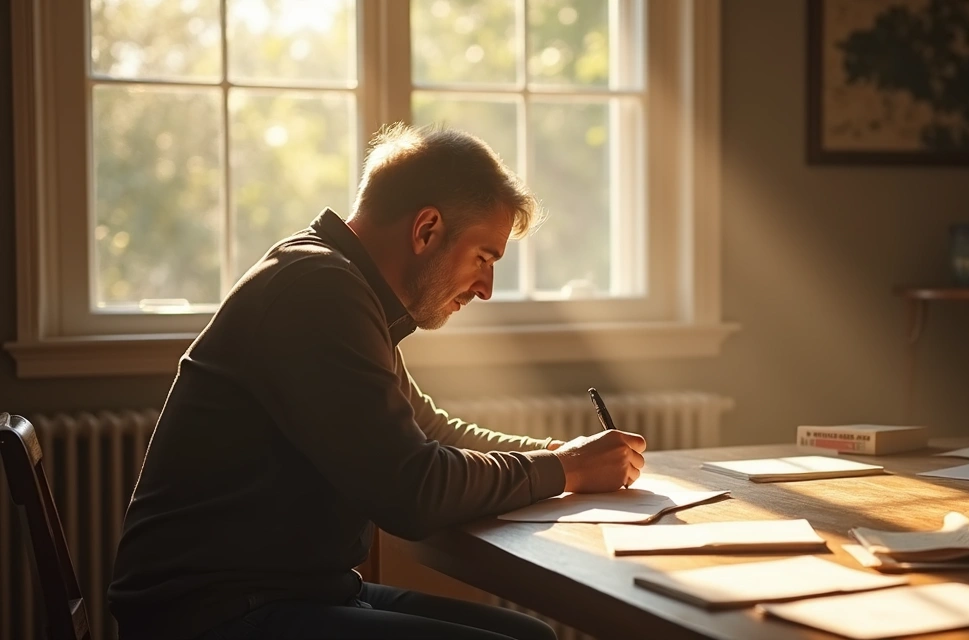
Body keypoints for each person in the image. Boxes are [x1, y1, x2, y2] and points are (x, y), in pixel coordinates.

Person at [108, 124, 648, 640]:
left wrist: (559, 453)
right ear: (427, 229)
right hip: (214, 616)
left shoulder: (343, 284)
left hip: (291, 594)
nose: (486, 287)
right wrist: (567, 469)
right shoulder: (318, 292)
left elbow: (430, 431)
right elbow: (412, 491)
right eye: (484, 257)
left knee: (530, 636)